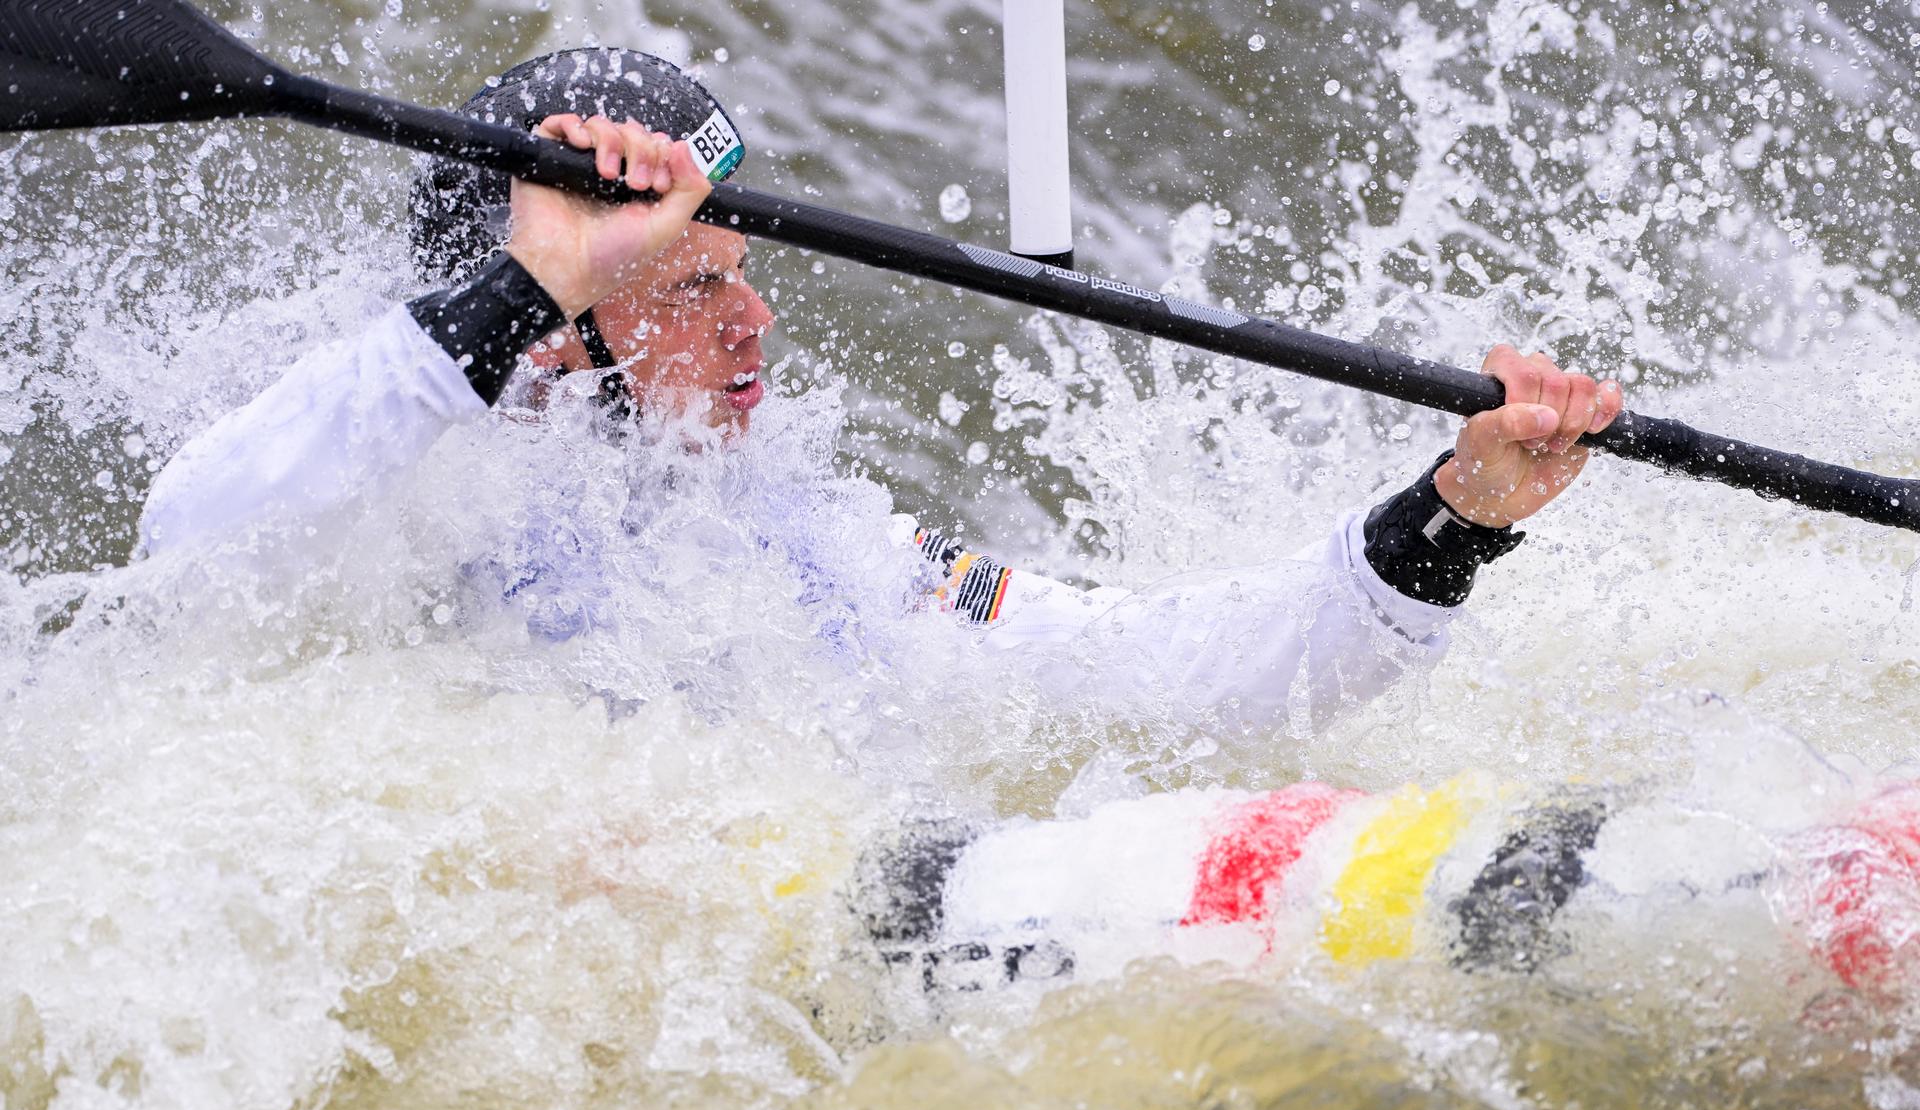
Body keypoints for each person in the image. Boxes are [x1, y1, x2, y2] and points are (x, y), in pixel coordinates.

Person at [134, 48, 1623, 733]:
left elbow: (1158, 681)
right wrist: (535, 278)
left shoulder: (795, 533)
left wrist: (1451, 522)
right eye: (693, 285)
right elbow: (195, 549)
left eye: (740, 270)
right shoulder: (426, 517)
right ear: (555, 334)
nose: (755, 318)